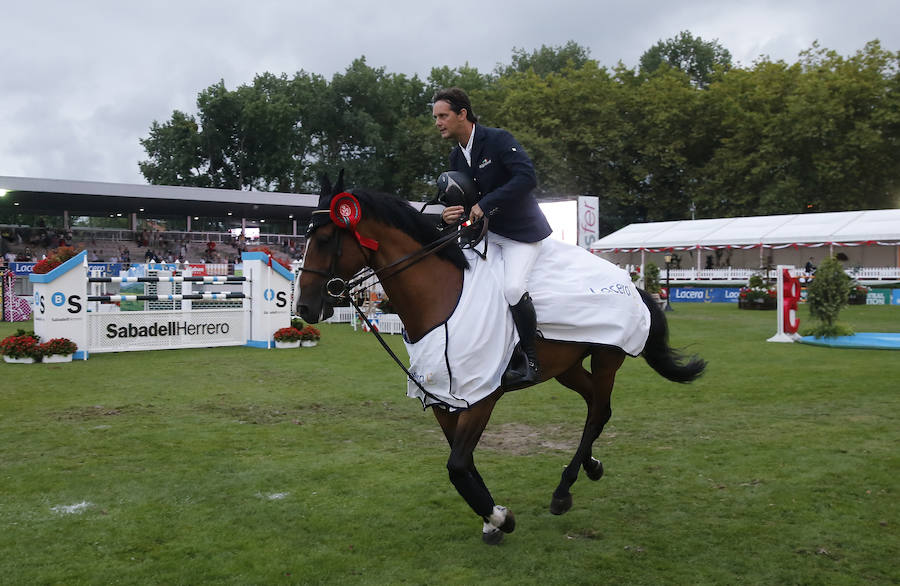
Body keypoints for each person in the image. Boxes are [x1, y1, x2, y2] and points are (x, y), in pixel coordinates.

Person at [432, 87, 552, 388]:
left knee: (512, 289)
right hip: (486, 236)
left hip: (521, 235)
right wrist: (448, 213)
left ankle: (530, 360)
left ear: (462, 114)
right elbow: (462, 199)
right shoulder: (455, 156)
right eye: (436, 117)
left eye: (443, 116)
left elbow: (527, 178)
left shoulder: (498, 140)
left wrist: (485, 204)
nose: (438, 122)